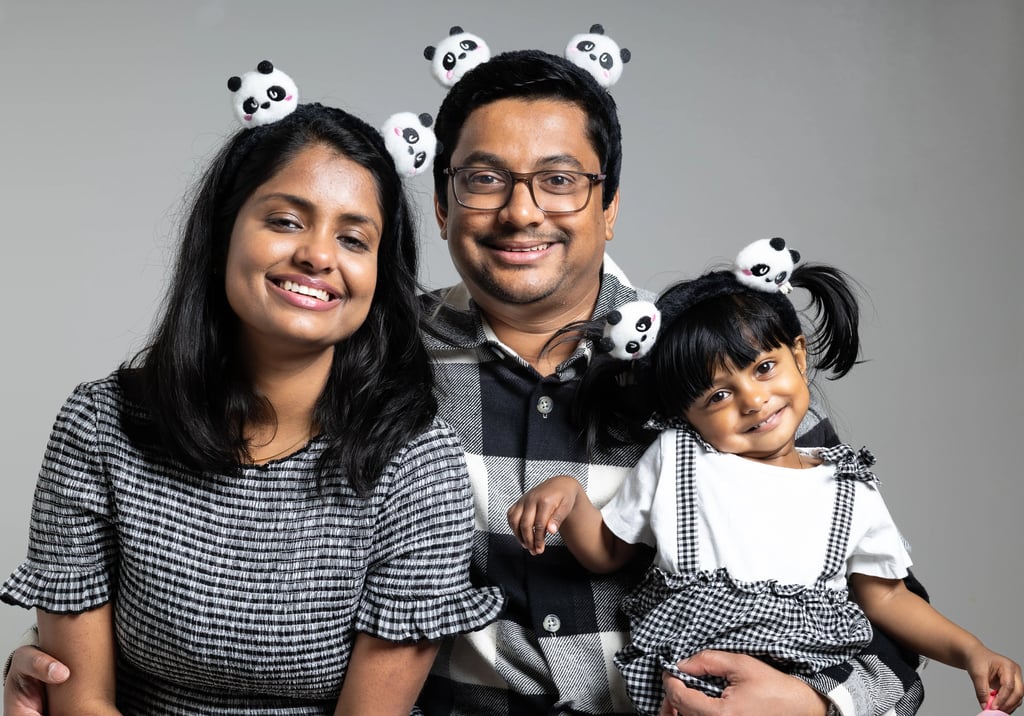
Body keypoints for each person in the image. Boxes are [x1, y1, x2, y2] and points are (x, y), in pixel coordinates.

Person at [6, 50, 922, 716]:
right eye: (484, 179)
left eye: (560, 181)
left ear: (610, 206)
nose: (521, 210)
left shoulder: (706, 365)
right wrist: (74, 681)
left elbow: (891, 614)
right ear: (438, 206)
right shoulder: (367, 355)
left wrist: (816, 705)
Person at [0, 95, 502, 714]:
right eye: (286, 221)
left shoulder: (419, 468)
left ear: (378, 277)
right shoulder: (101, 427)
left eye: (353, 237)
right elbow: (81, 704)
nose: (318, 255)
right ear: (221, 237)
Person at [507, 245, 1023, 715]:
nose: (753, 400)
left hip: (808, 680)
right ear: (686, 415)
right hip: (698, 679)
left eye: (764, 367)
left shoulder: (848, 484)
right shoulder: (680, 459)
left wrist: (971, 651)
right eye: (718, 395)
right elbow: (607, 554)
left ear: (799, 356)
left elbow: (885, 597)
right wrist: (571, 500)